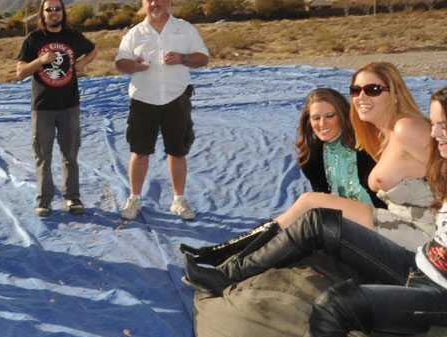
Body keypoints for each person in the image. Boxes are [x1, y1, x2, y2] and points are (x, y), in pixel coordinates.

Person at [184, 87, 447, 337]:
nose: (434, 133)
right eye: (434, 124)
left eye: (442, 126)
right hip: (418, 264)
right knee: (318, 222)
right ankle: (225, 276)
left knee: (337, 304)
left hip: (439, 295)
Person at [184, 62, 434, 268]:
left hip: (407, 228)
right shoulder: (326, 153)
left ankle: (230, 263)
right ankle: (226, 255)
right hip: (375, 220)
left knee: (307, 205)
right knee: (295, 217)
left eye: (373, 89)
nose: (362, 96)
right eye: (356, 90)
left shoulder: (382, 138)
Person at [181, 87, 383, 266]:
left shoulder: (365, 146)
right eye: (316, 118)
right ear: (308, 120)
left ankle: (225, 255)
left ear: (343, 115)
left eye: (330, 115)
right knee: (290, 224)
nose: (322, 124)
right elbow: (324, 198)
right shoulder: (313, 156)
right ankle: (225, 253)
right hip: (343, 221)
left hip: (379, 224)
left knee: (304, 209)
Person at [114, 0, 209, 220]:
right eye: (149, 0)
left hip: (176, 98)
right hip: (143, 100)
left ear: (167, 2)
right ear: (143, 6)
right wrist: (133, 65)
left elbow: (203, 58)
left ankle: (179, 200)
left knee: (177, 152)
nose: (154, 3)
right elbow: (119, 62)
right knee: (140, 151)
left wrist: (183, 58)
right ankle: (134, 199)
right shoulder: (134, 33)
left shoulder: (184, 29)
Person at [16, 0, 97, 217]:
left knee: (70, 154)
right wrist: (40, 61)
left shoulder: (73, 36)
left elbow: (93, 50)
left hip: (69, 105)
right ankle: (44, 200)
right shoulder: (33, 39)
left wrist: (82, 63)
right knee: (43, 156)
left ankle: (72, 197)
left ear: (63, 12)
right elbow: (20, 72)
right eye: (48, 9)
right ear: (42, 13)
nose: (53, 12)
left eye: (57, 9)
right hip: (42, 107)